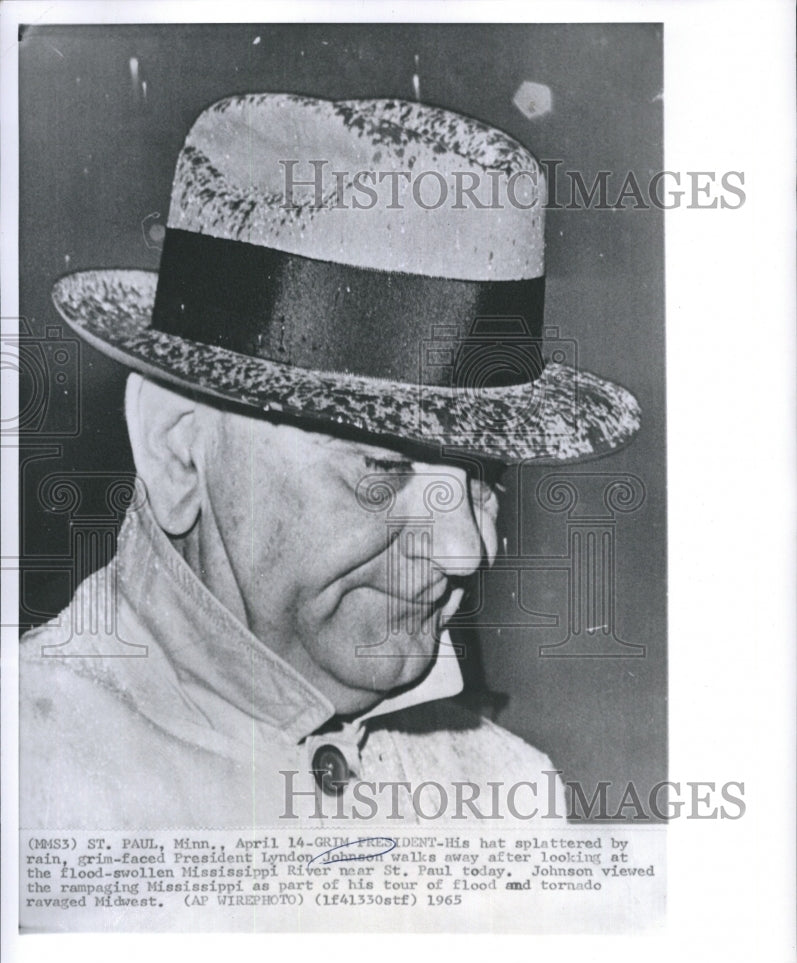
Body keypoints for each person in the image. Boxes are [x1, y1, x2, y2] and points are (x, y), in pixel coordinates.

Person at [19, 92, 641, 828]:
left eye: (484, 478)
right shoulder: (30, 780)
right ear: (175, 447)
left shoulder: (510, 798)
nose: (465, 550)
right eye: (382, 468)